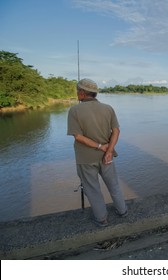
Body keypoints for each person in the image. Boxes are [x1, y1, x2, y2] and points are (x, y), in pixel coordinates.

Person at [67, 78, 127, 227]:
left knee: (93, 189)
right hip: (107, 156)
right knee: (114, 185)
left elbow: (78, 136)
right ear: (94, 94)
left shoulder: (74, 110)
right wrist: (109, 150)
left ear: (82, 93)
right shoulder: (108, 108)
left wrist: (101, 146)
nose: (77, 94)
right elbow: (116, 131)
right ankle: (123, 211)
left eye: (77, 91)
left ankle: (102, 219)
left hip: (85, 158)